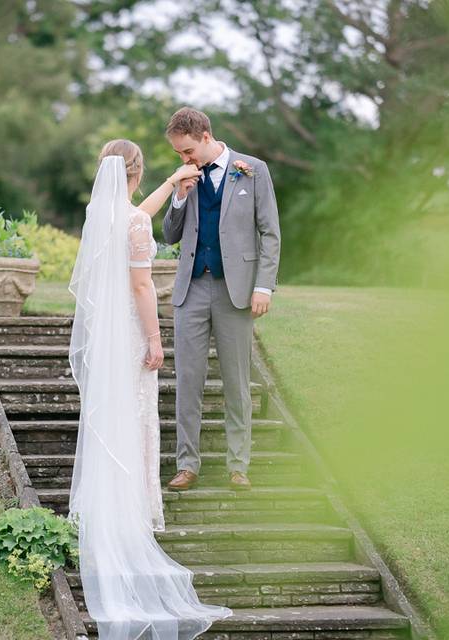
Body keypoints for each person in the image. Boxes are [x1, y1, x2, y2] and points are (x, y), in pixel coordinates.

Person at [67, 139, 231, 640]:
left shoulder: (101, 213)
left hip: (106, 339)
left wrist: (169, 184)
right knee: (135, 419)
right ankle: (131, 512)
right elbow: (142, 287)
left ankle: (103, 508)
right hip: (133, 335)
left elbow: (135, 215)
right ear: (135, 171)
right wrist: (157, 338)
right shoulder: (133, 222)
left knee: (111, 416)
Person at [162, 108, 282, 492]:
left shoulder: (253, 169)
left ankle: (238, 466)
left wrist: (264, 287)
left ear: (206, 136)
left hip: (237, 291)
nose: (185, 159)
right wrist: (179, 196)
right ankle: (187, 465)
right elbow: (169, 235)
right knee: (188, 381)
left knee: (237, 381)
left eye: (188, 151)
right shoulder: (186, 178)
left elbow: (270, 233)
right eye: (179, 154)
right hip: (191, 289)